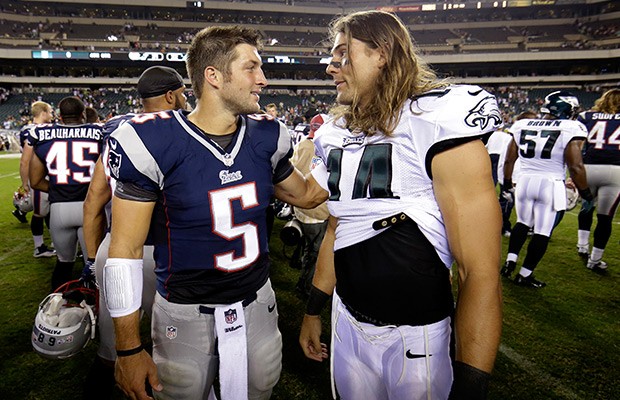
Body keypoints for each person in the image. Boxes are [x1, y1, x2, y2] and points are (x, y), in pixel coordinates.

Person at [104, 26, 326, 400]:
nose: (263, 79)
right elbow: (124, 253)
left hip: (257, 300)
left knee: (263, 384)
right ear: (214, 76)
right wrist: (127, 349)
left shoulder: (266, 137)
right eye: (251, 68)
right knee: (182, 391)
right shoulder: (153, 141)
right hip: (185, 311)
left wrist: (347, 150)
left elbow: (305, 196)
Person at [298, 10, 503, 400]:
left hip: (417, 335)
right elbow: (338, 226)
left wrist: (472, 385)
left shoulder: (437, 120)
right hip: (347, 322)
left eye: (343, 53)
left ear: (382, 53)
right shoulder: (338, 131)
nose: (331, 67)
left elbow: (479, 271)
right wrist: (313, 310)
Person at [81, 65, 187, 399]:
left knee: (114, 348)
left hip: (116, 249)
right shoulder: (187, 129)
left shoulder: (117, 130)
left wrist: (92, 258)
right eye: (183, 94)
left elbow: (94, 201)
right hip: (166, 253)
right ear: (171, 95)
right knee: (175, 350)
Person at [500, 92, 591, 287]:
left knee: (522, 223)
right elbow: (575, 166)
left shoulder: (522, 124)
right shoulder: (571, 127)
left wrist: (507, 182)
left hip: (524, 181)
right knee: (542, 231)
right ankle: (524, 275)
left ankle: (510, 261)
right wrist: (586, 193)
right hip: (550, 183)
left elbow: (509, 159)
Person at [29, 96, 103, 291]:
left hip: (60, 208)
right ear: (82, 115)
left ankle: (57, 310)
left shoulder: (42, 135)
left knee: (64, 263)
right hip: (91, 207)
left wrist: (58, 190)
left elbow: (35, 180)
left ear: (60, 116)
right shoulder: (99, 132)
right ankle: (94, 312)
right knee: (94, 266)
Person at [575, 88, 620, 272]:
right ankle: (594, 260)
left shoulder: (586, 116)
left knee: (586, 207)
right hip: (616, 171)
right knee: (605, 218)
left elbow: (577, 146)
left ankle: (582, 246)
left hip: (588, 168)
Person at [291, 113, 329, 297]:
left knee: (306, 244)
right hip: (318, 210)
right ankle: (303, 288)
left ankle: (295, 261)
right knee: (314, 254)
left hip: (299, 207)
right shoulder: (327, 148)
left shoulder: (302, 145)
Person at [17, 101, 56, 257]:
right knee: (41, 213)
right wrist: (26, 183)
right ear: (43, 113)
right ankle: (39, 247)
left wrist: (24, 181)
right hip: (44, 175)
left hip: (37, 176)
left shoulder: (25, 130)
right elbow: (26, 160)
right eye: (50, 112)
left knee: (47, 212)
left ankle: (52, 242)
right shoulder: (42, 130)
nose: (52, 115)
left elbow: (24, 161)